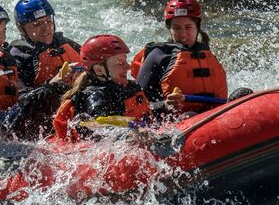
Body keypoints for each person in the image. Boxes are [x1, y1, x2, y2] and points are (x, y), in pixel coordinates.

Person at [53, 34, 183, 142]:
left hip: (140, 133)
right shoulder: (95, 96)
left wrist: (165, 105)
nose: (127, 67)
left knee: (189, 115)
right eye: (119, 63)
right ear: (99, 70)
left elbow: (143, 110)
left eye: (125, 60)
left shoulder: (127, 86)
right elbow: (99, 124)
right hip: (102, 152)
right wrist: (131, 132)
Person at [133, 0, 229, 114]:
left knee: (243, 92)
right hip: (179, 121)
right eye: (176, 28)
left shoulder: (206, 52)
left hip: (213, 114)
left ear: (197, 27)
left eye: (188, 27)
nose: (183, 34)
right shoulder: (158, 56)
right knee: (190, 115)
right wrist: (164, 104)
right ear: (169, 29)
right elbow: (138, 105)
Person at [9, 0, 81, 88]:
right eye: (37, 24)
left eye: (48, 21)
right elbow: (22, 100)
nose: (46, 28)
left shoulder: (62, 42)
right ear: (21, 29)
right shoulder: (18, 57)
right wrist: (52, 85)